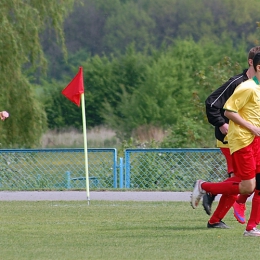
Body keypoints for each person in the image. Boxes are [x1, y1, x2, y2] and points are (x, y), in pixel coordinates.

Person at [191, 52, 260, 236]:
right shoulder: (238, 83)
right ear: (252, 62)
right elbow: (212, 104)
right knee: (243, 183)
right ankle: (206, 188)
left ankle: (218, 217)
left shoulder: (256, 86)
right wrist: (222, 124)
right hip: (232, 140)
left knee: (244, 182)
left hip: (252, 140)